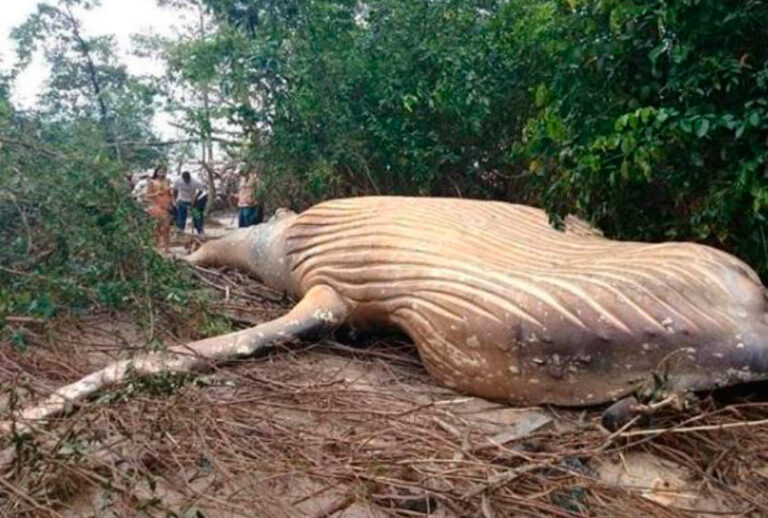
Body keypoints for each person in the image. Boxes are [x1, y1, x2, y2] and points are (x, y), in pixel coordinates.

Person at [144, 165, 173, 253]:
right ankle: (157, 246)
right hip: (156, 207)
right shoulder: (152, 182)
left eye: (164, 171)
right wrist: (156, 193)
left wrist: (171, 201)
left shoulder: (168, 181)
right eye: (160, 171)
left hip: (166, 207)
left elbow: (170, 194)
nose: (162, 173)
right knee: (157, 228)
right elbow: (147, 195)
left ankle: (167, 247)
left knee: (167, 227)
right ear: (156, 172)